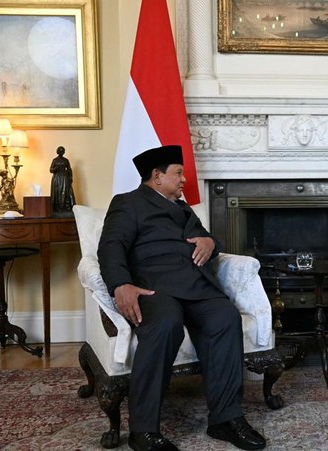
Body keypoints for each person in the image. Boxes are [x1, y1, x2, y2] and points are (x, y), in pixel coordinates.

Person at [97, 145, 266, 451]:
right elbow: (111, 246)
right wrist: (121, 284)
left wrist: (208, 241)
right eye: (178, 173)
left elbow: (211, 241)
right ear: (156, 176)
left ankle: (225, 419)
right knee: (165, 325)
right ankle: (143, 432)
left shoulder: (184, 208)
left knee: (226, 317)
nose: (184, 179)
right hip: (153, 288)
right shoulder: (128, 203)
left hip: (196, 286)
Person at [49, 146, 76, 213]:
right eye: (60, 151)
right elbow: (51, 170)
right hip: (57, 178)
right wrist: (55, 169)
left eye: (62, 151)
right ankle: (57, 207)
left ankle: (66, 207)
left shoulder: (66, 160)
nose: (61, 152)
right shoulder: (55, 160)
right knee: (57, 192)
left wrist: (70, 177)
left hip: (64, 178)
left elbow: (69, 169)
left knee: (65, 192)